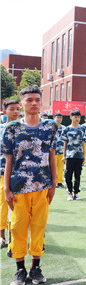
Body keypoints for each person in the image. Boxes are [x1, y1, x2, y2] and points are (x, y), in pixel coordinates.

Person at [4, 86, 58, 285]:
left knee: (38, 227)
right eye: (29, 100)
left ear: (41, 102)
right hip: (18, 187)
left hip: (42, 186)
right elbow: (9, 159)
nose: (34, 103)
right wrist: (6, 188)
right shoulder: (12, 128)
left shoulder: (50, 126)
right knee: (17, 228)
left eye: (37, 99)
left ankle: (36, 267)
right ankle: (20, 269)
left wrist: (53, 183)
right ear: (21, 104)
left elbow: (52, 155)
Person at [1, 99, 21, 248]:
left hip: (20, 172)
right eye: (12, 109)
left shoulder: (25, 127)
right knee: (3, 203)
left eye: (18, 109)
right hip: (3, 170)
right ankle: (1, 235)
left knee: (19, 204)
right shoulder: (1, 128)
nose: (15, 112)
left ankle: (16, 236)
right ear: (4, 111)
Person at [63, 109, 84, 200]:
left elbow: (84, 143)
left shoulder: (82, 129)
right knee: (68, 175)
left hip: (79, 156)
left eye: (79, 117)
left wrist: (84, 155)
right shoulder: (66, 129)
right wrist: (64, 155)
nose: (77, 119)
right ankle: (69, 193)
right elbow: (65, 143)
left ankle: (76, 193)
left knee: (77, 175)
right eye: (75, 117)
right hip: (69, 156)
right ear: (71, 117)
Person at [52, 113, 66, 189]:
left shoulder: (64, 128)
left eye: (60, 117)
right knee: (53, 168)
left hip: (61, 151)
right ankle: (53, 182)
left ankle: (59, 182)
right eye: (57, 117)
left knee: (61, 168)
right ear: (54, 118)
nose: (59, 119)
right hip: (53, 151)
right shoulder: (50, 128)